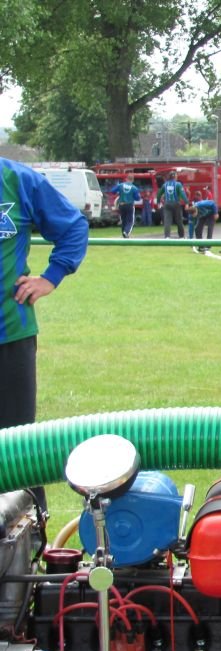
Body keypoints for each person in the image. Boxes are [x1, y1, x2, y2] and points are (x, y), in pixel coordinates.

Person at [0, 158, 89, 511]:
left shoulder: (16, 179)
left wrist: (51, 277)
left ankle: (32, 533)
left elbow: (73, 227)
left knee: (18, 448)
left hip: (10, 336)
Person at [158, 170, 188, 238]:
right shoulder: (178, 184)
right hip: (176, 203)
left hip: (167, 203)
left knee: (167, 221)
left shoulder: (165, 184)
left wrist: (158, 202)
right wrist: (186, 202)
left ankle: (167, 236)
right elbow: (182, 194)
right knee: (179, 220)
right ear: (175, 177)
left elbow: (159, 194)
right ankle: (181, 236)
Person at [110, 173, 141, 238]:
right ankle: (126, 232)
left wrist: (119, 193)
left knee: (123, 220)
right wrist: (132, 196)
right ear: (133, 180)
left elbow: (112, 191)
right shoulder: (134, 188)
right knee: (130, 221)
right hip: (129, 205)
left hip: (121, 205)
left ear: (126, 179)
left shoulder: (120, 185)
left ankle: (124, 234)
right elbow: (138, 198)